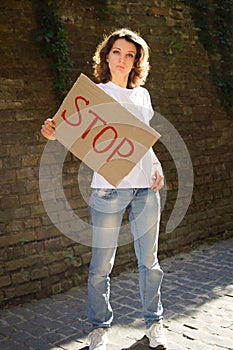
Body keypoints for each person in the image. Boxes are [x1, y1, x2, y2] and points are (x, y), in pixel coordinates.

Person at [41, 28, 167, 350]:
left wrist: (157, 165)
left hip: (145, 191)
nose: (123, 60)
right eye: (117, 53)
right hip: (108, 190)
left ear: (137, 61)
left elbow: (145, 140)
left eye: (130, 55)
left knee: (149, 262)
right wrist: (52, 131)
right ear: (106, 56)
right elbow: (65, 130)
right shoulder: (94, 94)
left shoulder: (142, 95)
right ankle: (99, 327)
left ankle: (154, 323)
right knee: (101, 266)